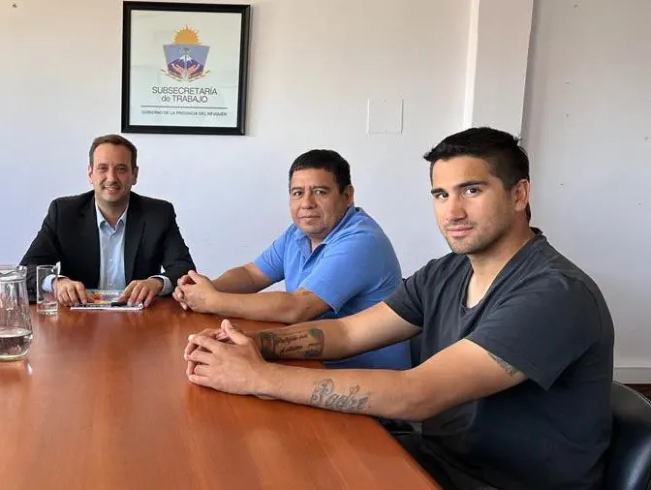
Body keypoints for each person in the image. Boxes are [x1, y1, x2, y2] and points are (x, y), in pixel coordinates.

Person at [183, 127, 614, 489]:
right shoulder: (445, 272)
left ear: (519, 194)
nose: (453, 211)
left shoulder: (555, 294)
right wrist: (246, 344)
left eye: (472, 190)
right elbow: (347, 333)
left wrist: (259, 376)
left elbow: (419, 394)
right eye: (441, 194)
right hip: (437, 462)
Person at [174, 149, 409, 370]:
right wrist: (202, 289)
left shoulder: (361, 241)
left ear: (347, 196)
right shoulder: (298, 233)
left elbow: (298, 307)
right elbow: (252, 274)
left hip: (362, 378)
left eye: (320, 192)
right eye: (298, 193)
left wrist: (213, 300)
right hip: (311, 362)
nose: (307, 203)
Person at [20, 134, 196, 307]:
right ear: (90, 173)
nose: (111, 178)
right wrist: (56, 282)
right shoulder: (64, 213)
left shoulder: (158, 214)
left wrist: (156, 283)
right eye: (103, 168)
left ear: (134, 174)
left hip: (140, 317)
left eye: (121, 169)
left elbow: (184, 269)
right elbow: (27, 269)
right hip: (79, 317)